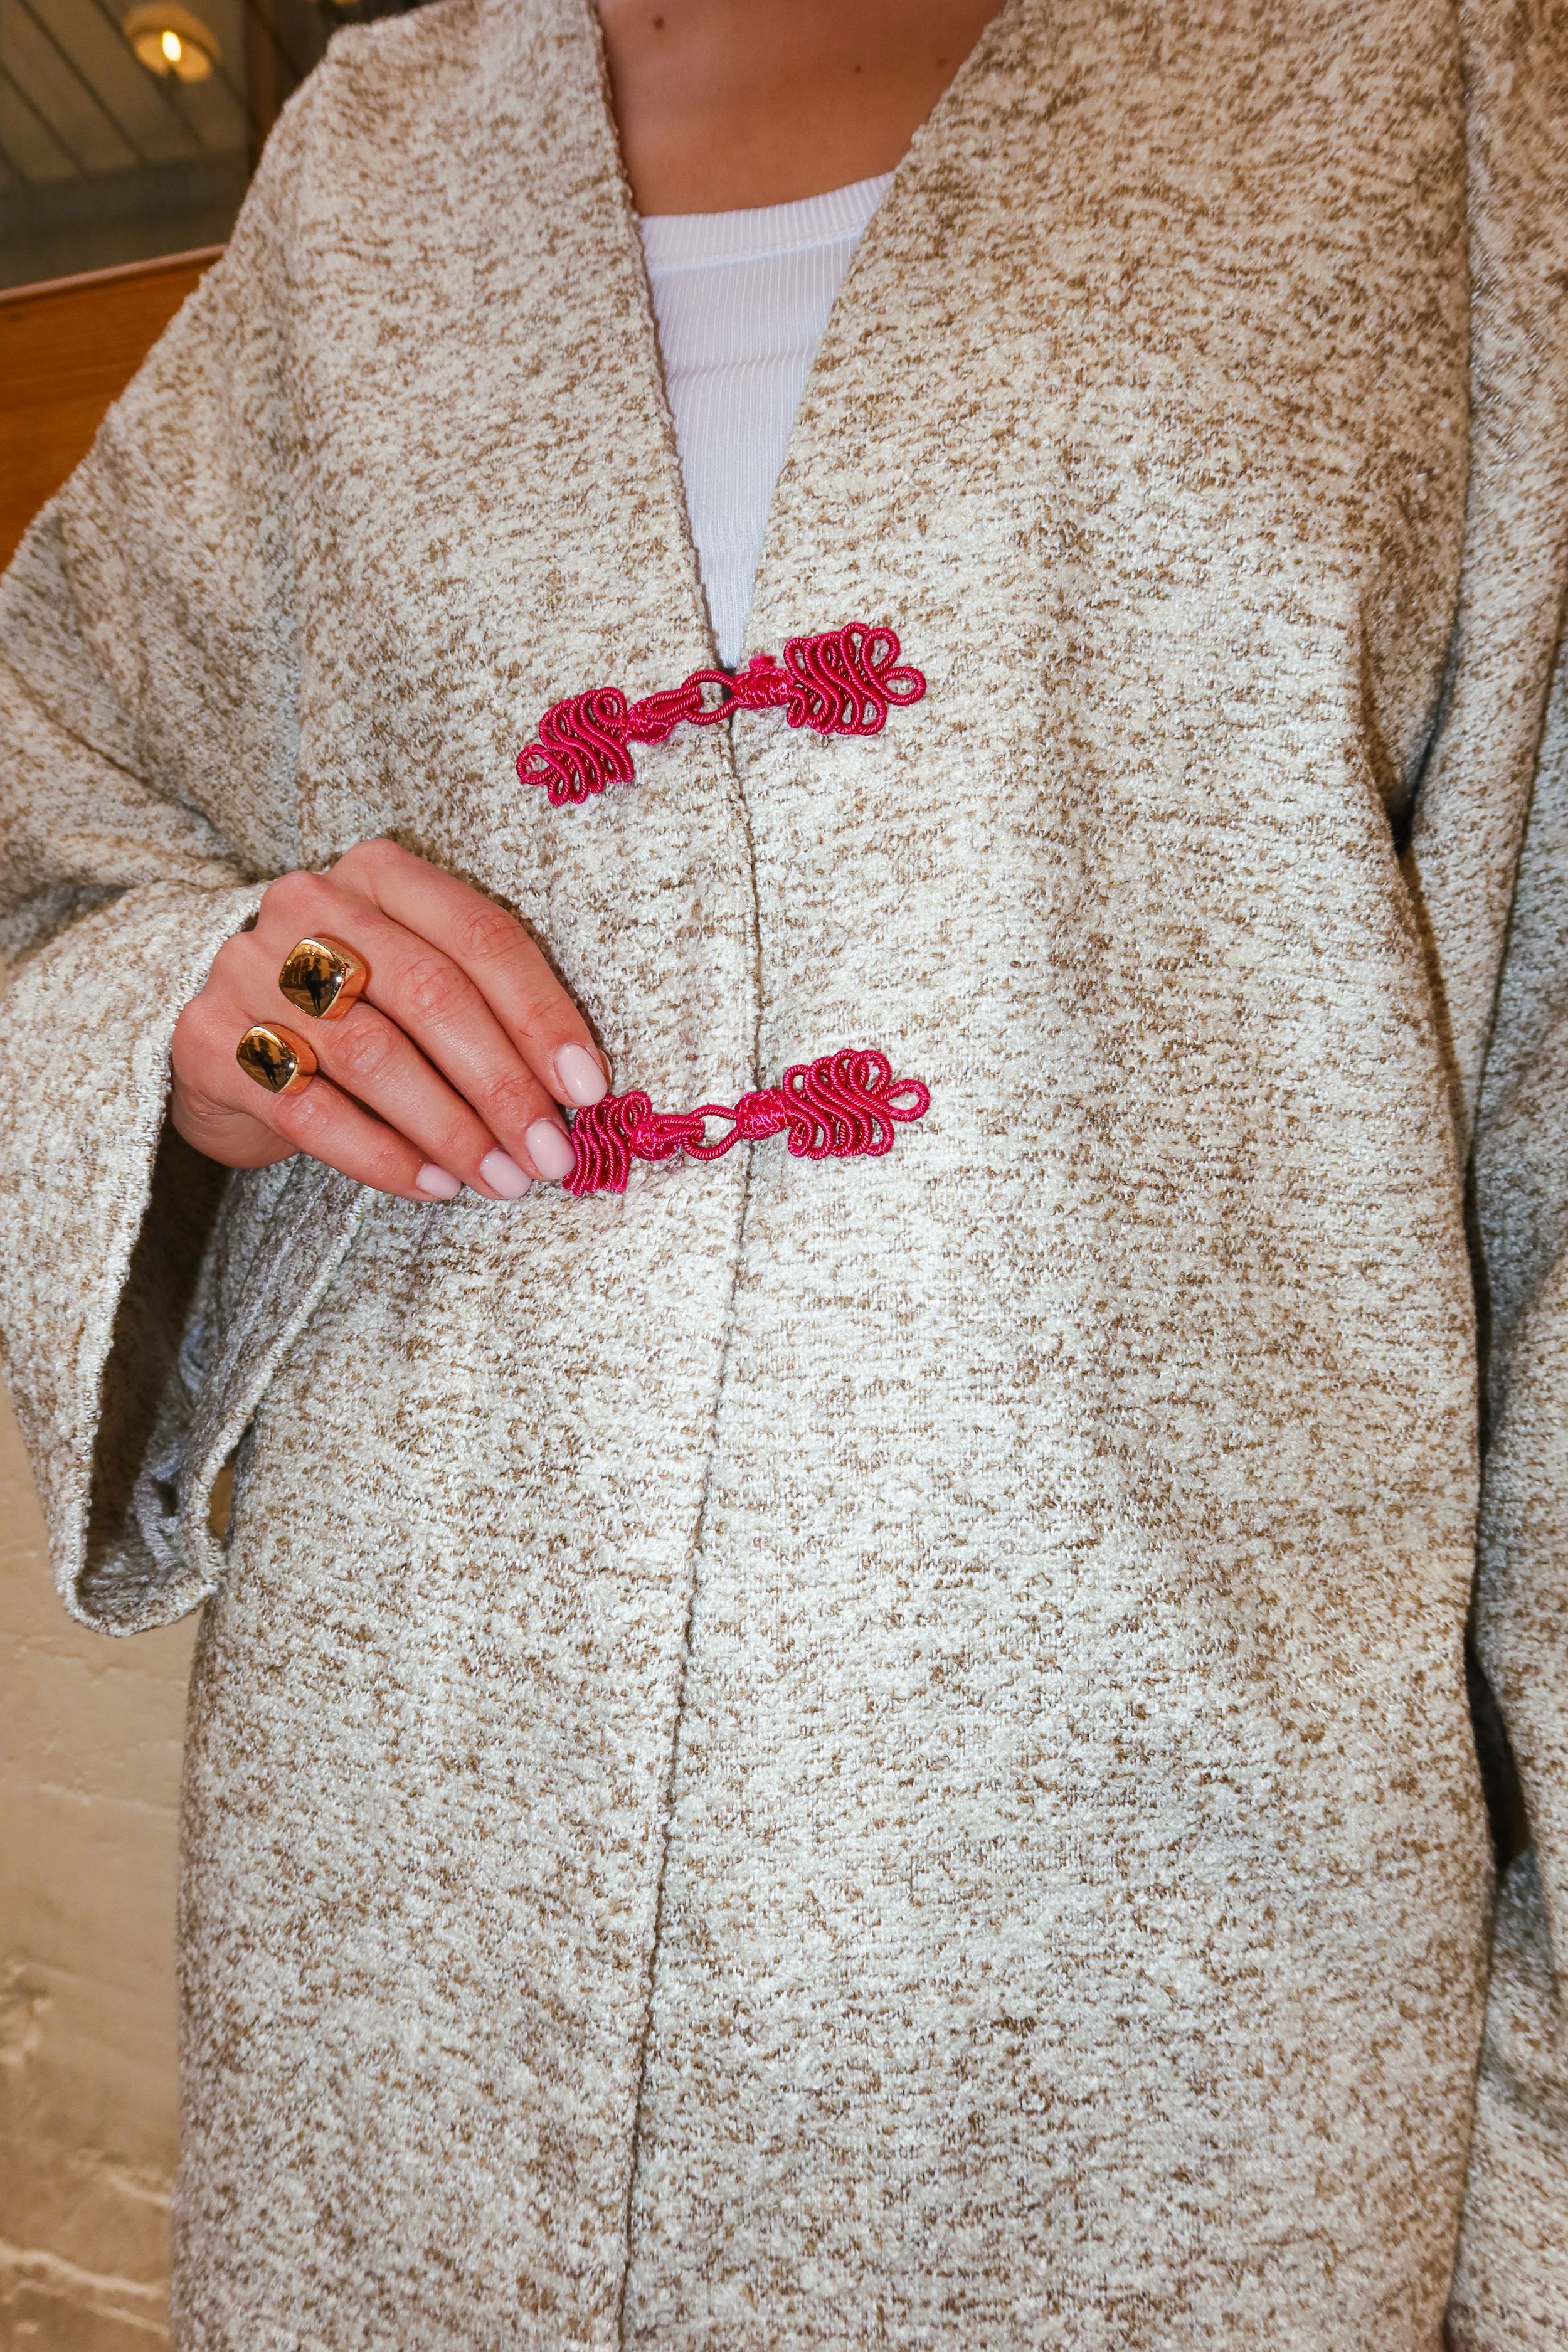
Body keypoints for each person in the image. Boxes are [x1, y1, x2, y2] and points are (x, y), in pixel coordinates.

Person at [1, 0, 1565, 2342]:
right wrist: (206, 996)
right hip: (411, 1888)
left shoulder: (1432, 85)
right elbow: (40, 817)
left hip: (1150, 1943)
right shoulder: (379, 152)